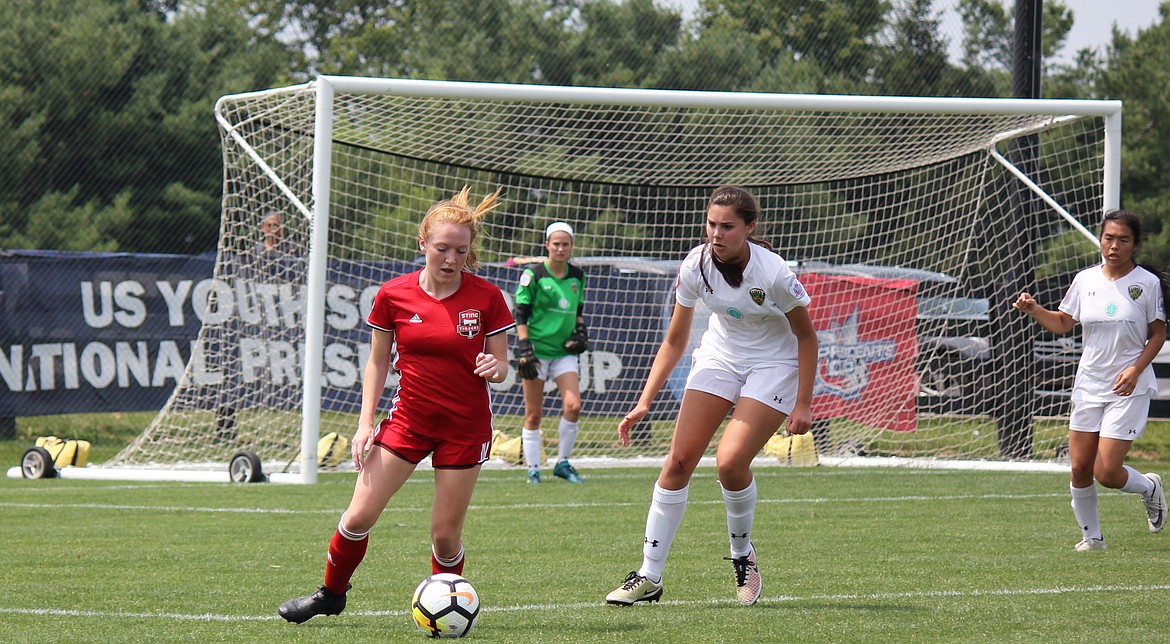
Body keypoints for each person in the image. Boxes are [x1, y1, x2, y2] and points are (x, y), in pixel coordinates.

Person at [278, 186, 514, 623]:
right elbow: (377, 361)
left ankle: (447, 613)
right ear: (422, 243)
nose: (450, 259)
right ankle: (331, 594)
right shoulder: (393, 295)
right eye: (442, 248)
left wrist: (494, 368)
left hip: (465, 427)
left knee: (444, 538)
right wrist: (364, 423)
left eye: (461, 251)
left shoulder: (487, 297)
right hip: (408, 421)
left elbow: (502, 365)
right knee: (356, 516)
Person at [605, 186, 818, 607]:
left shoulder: (774, 273)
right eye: (711, 224)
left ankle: (743, 555)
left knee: (729, 463)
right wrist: (645, 401)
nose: (716, 234)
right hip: (720, 356)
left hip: (773, 364)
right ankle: (649, 576)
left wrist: (804, 402)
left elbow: (807, 337)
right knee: (679, 461)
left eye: (727, 226)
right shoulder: (694, 265)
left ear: (749, 227)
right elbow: (675, 339)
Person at [1012, 209, 1169, 552]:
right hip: (1089, 384)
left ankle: (1149, 488)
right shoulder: (1085, 280)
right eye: (1108, 238)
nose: (1114, 246)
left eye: (1123, 240)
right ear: (1100, 239)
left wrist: (1135, 369)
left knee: (1108, 473)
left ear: (1135, 244)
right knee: (1081, 466)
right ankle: (1093, 538)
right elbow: (1063, 323)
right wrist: (1035, 309)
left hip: (1128, 387)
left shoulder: (1147, 283)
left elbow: (1158, 334)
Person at [512, 221, 589, 484]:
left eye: (565, 244)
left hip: (563, 352)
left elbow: (577, 312)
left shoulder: (577, 275)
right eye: (555, 243)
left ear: (571, 247)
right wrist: (524, 346)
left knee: (574, 406)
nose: (560, 248)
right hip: (536, 351)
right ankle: (533, 469)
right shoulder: (533, 275)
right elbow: (520, 312)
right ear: (547, 245)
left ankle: (563, 463)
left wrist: (581, 332)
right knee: (534, 414)